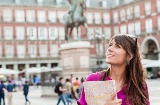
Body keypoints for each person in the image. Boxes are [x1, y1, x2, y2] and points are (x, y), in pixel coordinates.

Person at [77, 34, 150, 105]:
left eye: (117, 46)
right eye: (110, 45)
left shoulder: (140, 86)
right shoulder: (93, 80)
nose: (109, 49)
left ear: (130, 55)